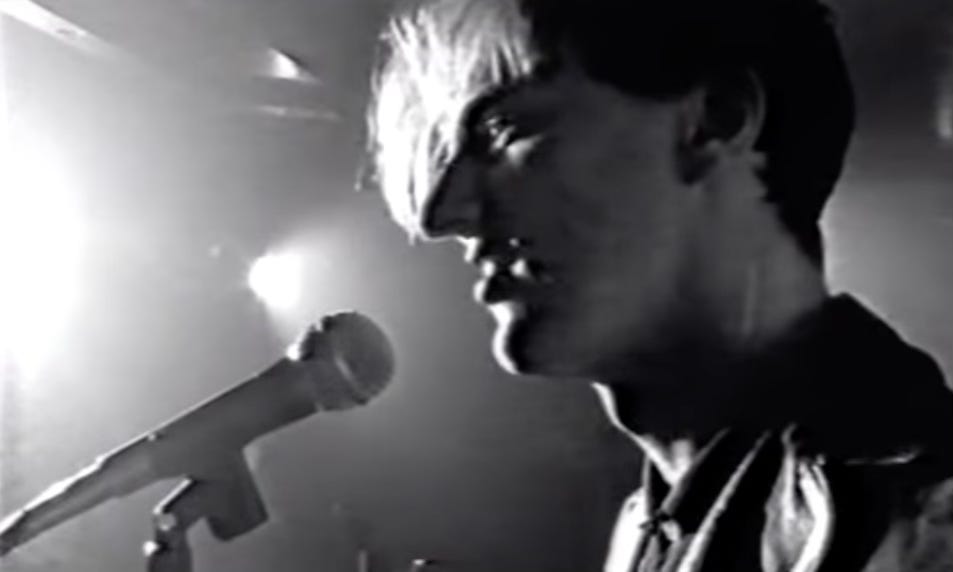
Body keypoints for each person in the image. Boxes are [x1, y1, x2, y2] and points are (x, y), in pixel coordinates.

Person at [366, 0, 953, 570]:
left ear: (718, 118)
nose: (442, 213)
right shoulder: (656, 520)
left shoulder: (917, 521)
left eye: (502, 127)